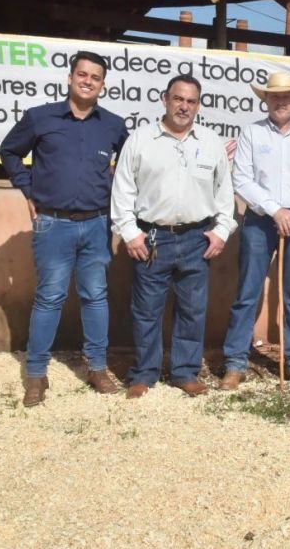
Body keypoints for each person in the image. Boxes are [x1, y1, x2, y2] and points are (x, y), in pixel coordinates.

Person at [0, 50, 128, 407]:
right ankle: (37, 374)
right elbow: (9, 151)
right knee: (50, 297)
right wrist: (27, 189)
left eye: (95, 77)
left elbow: (133, 163)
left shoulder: (113, 125)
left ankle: (97, 368)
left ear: (103, 84)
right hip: (52, 224)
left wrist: (119, 188)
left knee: (96, 296)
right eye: (82, 75)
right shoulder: (40, 118)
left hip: (98, 224)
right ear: (70, 78)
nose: (88, 81)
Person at [110, 75, 237, 399]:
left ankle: (184, 372)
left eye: (191, 101)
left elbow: (224, 191)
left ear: (198, 105)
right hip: (152, 239)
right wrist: (130, 234)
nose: (184, 106)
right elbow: (122, 189)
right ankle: (144, 374)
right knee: (146, 310)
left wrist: (222, 231)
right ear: (165, 99)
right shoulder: (140, 140)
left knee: (193, 310)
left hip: (197, 238)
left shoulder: (210, 142)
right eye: (178, 99)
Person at [219, 72, 290, 390]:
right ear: (266, 99)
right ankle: (235, 362)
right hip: (260, 221)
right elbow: (242, 179)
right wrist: (275, 210)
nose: (281, 101)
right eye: (275, 96)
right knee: (247, 293)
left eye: (287, 96)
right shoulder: (252, 134)